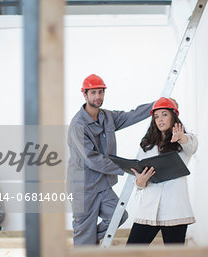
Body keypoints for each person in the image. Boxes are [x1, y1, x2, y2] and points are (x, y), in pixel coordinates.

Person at [67, 74, 157, 246]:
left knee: (119, 215)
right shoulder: (78, 125)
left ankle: (88, 239)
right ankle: (84, 254)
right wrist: (127, 168)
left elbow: (132, 115)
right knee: (84, 230)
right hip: (82, 188)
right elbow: (92, 159)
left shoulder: (107, 117)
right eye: (93, 93)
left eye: (100, 92)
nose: (98, 97)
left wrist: (156, 105)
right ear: (85, 95)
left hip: (102, 185)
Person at [126, 97, 198, 245]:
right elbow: (139, 176)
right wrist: (139, 182)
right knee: (132, 250)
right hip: (148, 208)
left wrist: (181, 138)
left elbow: (192, 146)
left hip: (175, 209)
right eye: (156, 116)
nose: (160, 119)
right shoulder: (146, 145)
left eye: (165, 114)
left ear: (173, 116)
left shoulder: (185, 141)